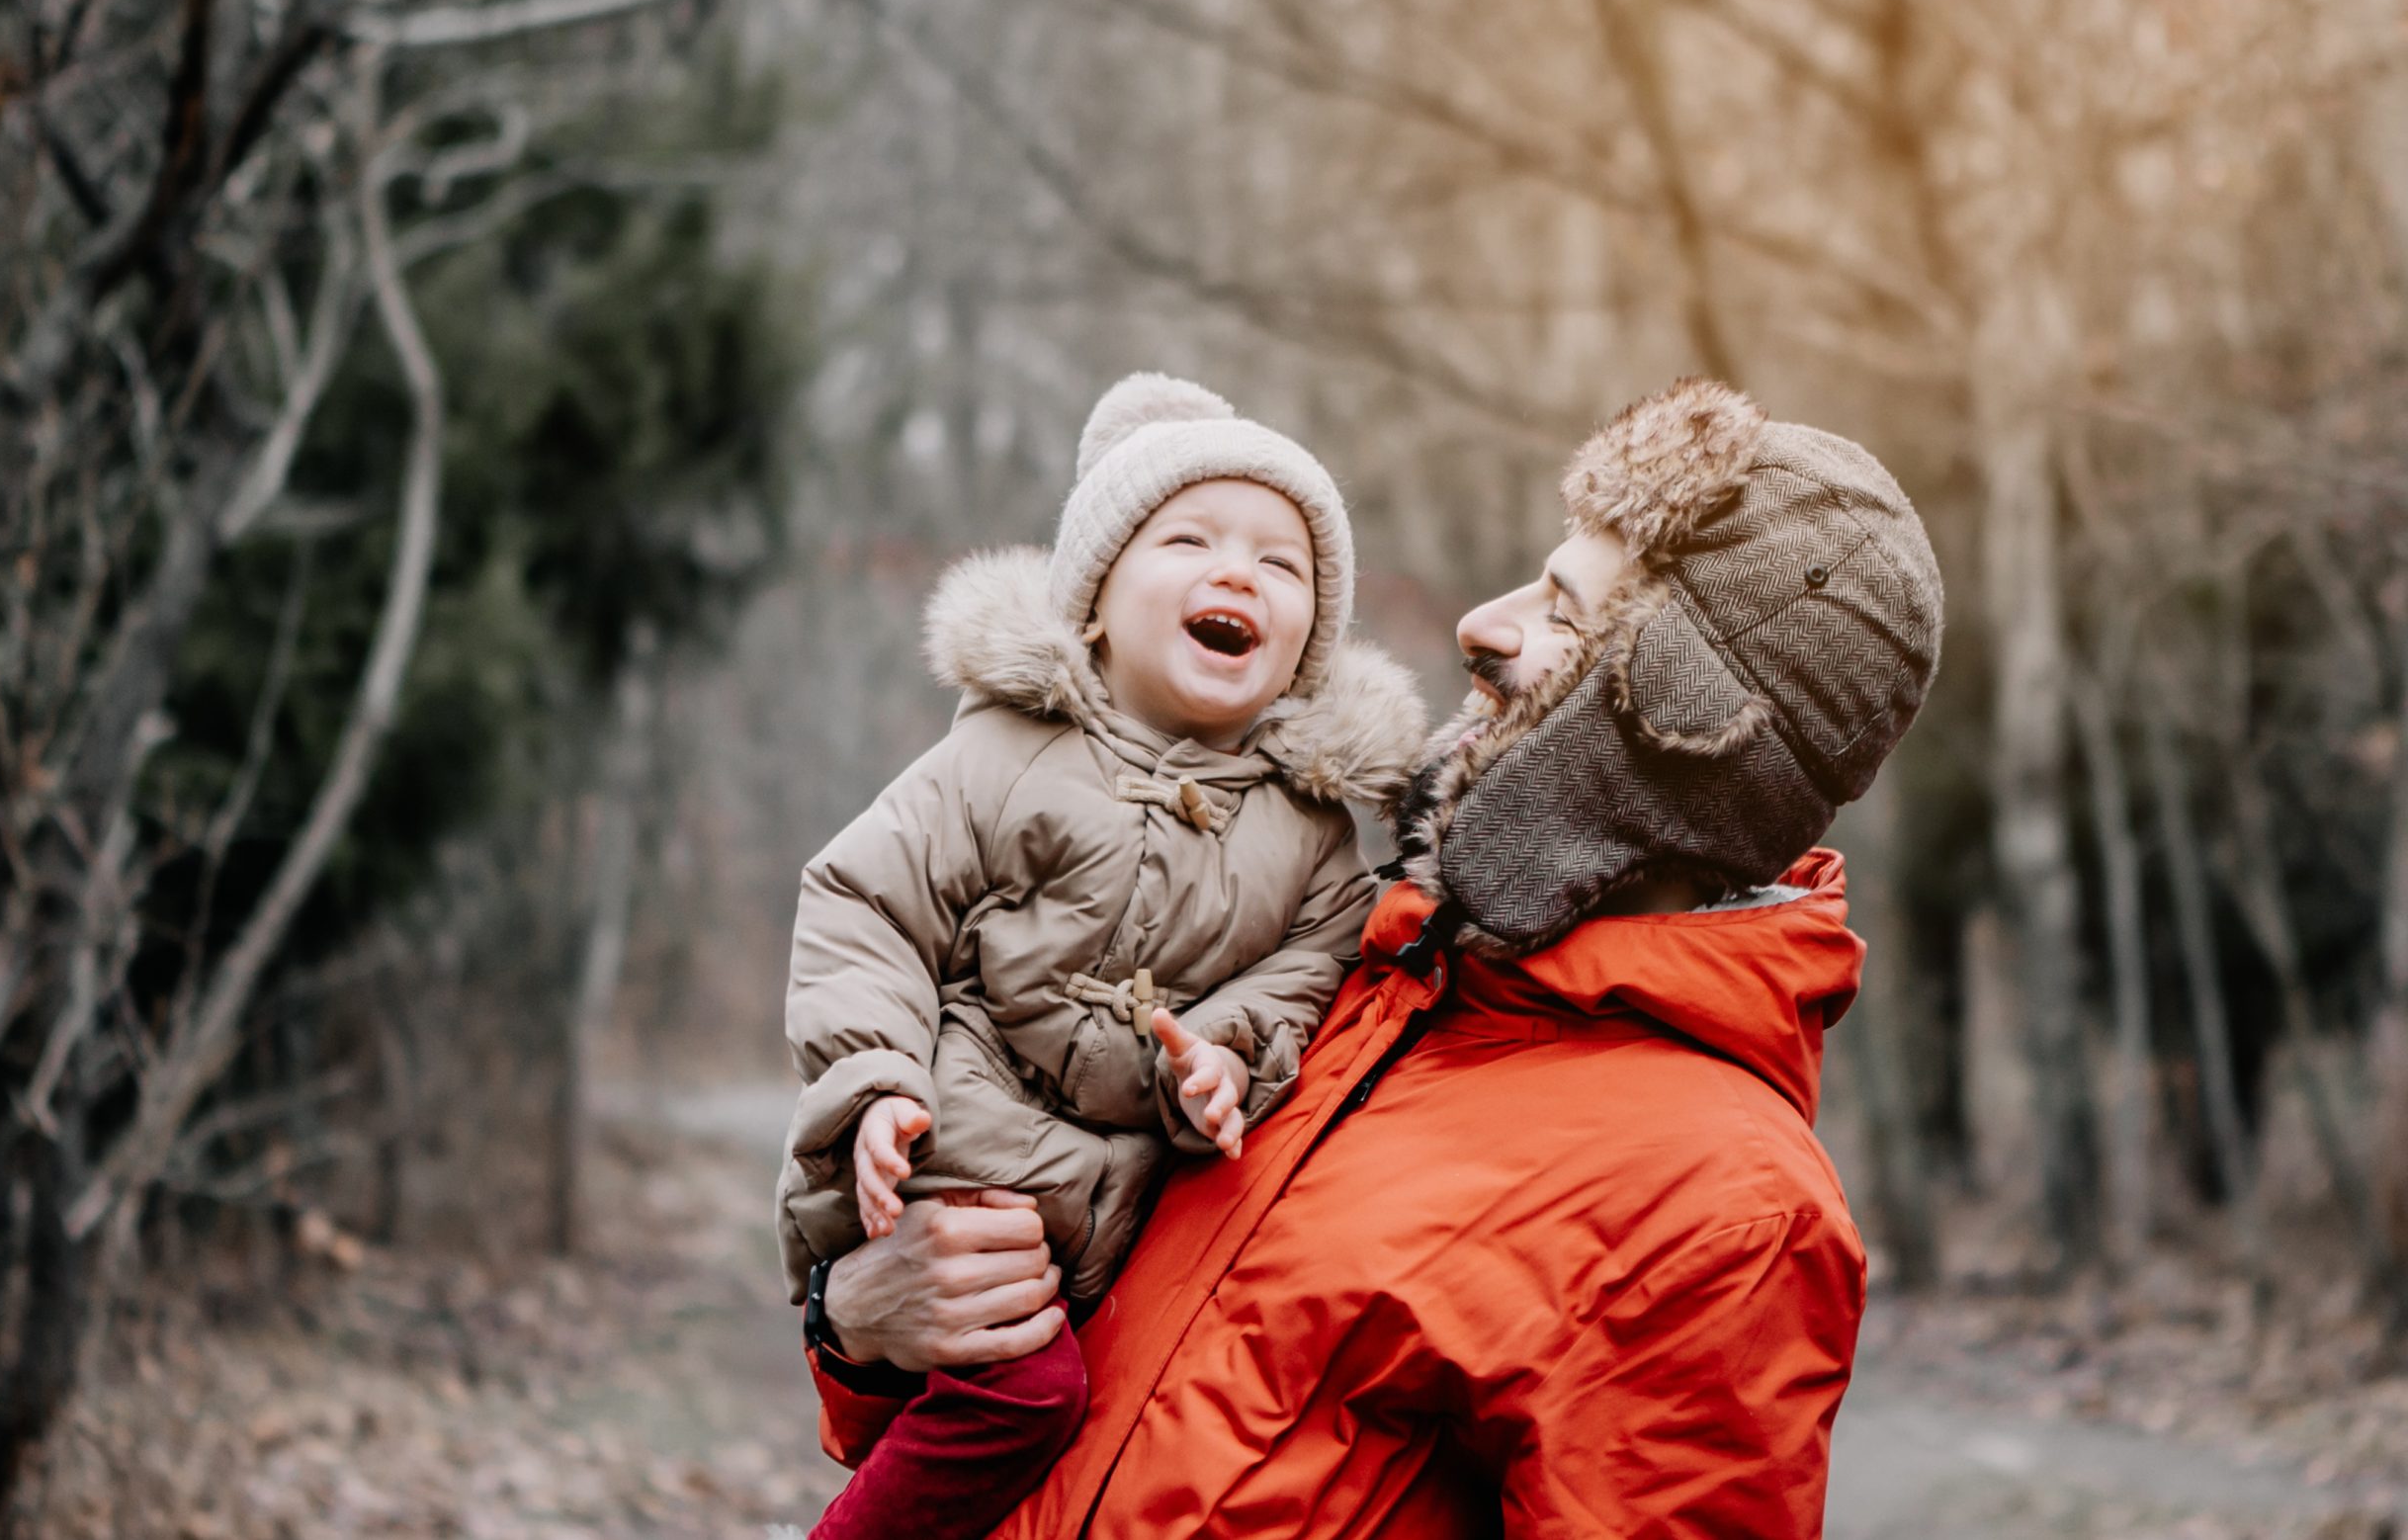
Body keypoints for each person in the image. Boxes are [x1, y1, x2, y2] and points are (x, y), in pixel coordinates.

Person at [803, 378, 1945, 1538]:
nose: (1481, 624)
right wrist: (860, 1320)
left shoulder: (1722, 1209)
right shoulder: (1359, 975)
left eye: (1561, 610)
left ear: (1670, 720)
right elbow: (1043, 1392)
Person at [777, 372, 1426, 1539]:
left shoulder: (1315, 844)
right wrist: (873, 1083)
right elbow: (864, 902)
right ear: (1093, 602)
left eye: (1283, 565)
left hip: (1115, 1208)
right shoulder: (1004, 752)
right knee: (1022, 1397)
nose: (1239, 573)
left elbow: (1297, 984)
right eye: (1189, 540)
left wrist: (1224, 1061)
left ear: (1304, 653)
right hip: (948, 1139)